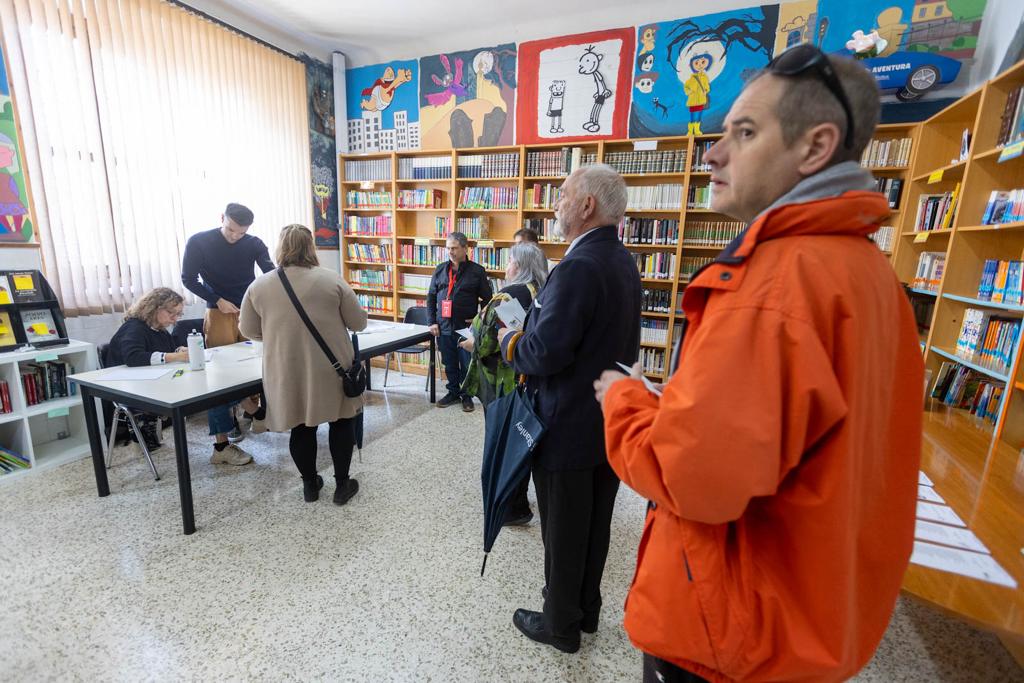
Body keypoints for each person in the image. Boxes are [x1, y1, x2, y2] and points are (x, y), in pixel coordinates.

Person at [594, 46, 923, 683]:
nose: (713, 154)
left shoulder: (775, 284)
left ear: (815, 147)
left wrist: (623, 402)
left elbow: (691, 478)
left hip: (730, 634)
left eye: (744, 132)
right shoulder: (868, 272)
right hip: (810, 612)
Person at [496, 163, 641, 654]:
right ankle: (586, 611)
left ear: (586, 206)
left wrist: (511, 340)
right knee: (593, 525)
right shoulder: (621, 259)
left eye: (562, 194)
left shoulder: (578, 266)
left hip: (565, 422)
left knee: (561, 530)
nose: (555, 203)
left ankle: (560, 625)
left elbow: (546, 352)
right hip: (605, 421)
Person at [239, 225, 368, 505]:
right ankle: (342, 485)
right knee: (342, 420)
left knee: (301, 425)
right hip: (331, 367)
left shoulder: (258, 286)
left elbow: (249, 330)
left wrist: (280, 333)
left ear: (280, 248)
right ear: (311, 248)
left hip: (286, 369)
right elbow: (358, 323)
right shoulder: (331, 280)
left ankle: (310, 485)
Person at [459, 241, 548, 526]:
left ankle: (510, 507)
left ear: (519, 266)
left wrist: (471, 342)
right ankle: (519, 501)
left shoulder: (506, 297)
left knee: (500, 443)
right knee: (520, 441)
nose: (506, 267)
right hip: (527, 379)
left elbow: (484, 341)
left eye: (509, 261)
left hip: (500, 382)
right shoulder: (543, 292)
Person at [181, 202, 274, 466]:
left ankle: (253, 414)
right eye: (231, 229)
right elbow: (189, 279)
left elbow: (271, 273)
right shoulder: (199, 242)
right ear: (222, 218)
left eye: (240, 233)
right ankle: (225, 435)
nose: (235, 236)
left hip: (250, 310)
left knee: (253, 367)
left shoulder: (254, 243)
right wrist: (216, 299)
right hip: (219, 312)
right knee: (219, 375)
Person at [425, 231, 491, 412]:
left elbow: (488, 300)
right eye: (448, 248)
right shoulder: (440, 269)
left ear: (465, 248)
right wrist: (432, 321)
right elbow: (430, 297)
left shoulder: (477, 271)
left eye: (454, 248)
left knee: (466, 362)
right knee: (449, 362)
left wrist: (479, 320)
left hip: (466, 328)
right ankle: (453, 391)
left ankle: (466, 395)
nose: (450, 252)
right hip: (443, 326)